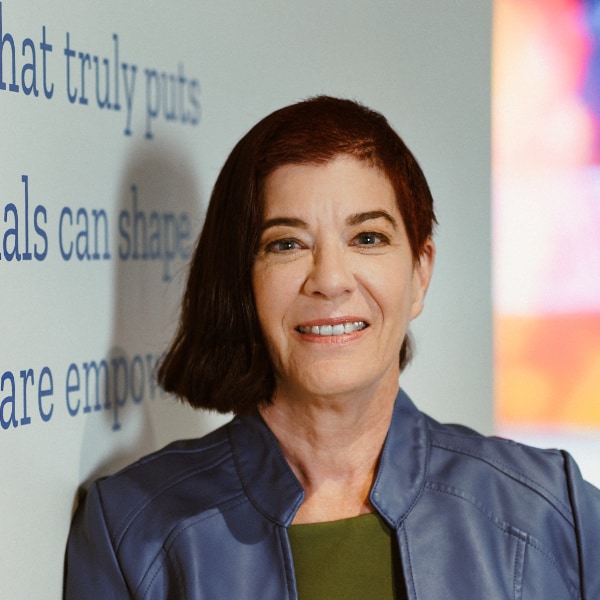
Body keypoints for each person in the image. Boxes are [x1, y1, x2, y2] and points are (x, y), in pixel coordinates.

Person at [64, 96, 600, 599]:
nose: (331, 280)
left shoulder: (554, 510)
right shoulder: (132, 530)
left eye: (368, 238)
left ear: (420, 271)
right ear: (240, 280)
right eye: (287, 244)